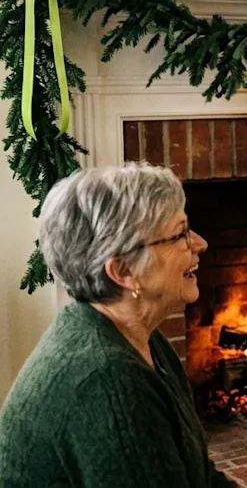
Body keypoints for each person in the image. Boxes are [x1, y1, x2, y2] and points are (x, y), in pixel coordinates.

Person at [0, 164, 234, 487]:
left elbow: (201, 477)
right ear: (124, 271)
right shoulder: (107, 381)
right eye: (180, 233)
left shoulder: (145, 342)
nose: (200, 243)